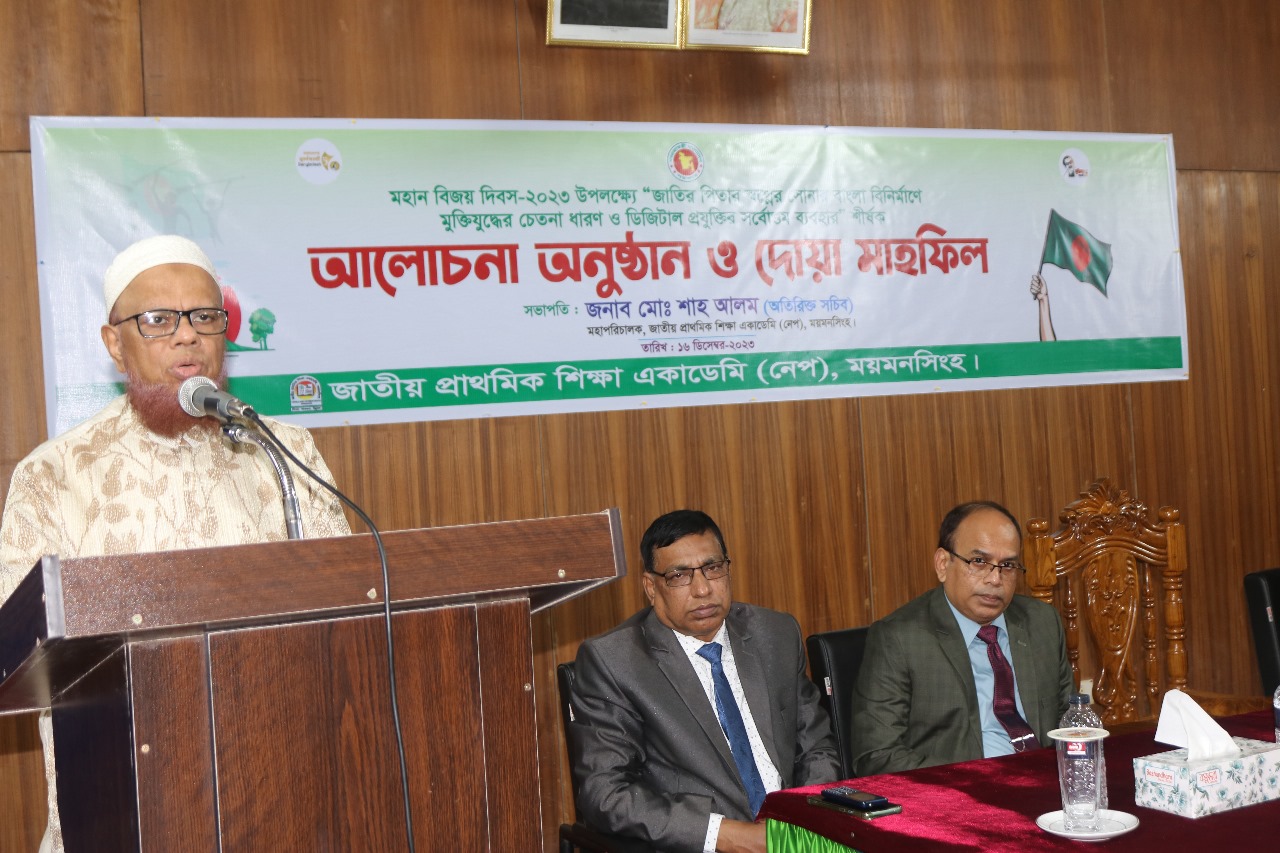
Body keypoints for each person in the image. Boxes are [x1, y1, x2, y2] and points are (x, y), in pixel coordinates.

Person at [0, 234, 351, 853]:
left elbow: (350, 609)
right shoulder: (55, 475)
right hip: (122, 806)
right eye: (159, 320)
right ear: (115, 343)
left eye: (204, 316)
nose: (187, 336)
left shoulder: (283, 451)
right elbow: (19, 655)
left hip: (286, 796)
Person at [568, 509, 839, 853]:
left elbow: (817, 748)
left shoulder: (775, 633)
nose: (702, 589)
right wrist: (725, 836)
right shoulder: (615, 662)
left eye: (712, 568)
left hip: (799, 836)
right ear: (651, 587)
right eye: (679, 575)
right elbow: (605, 793)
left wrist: (803, 820)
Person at [849, 501, 1073, 776]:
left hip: (1046, 785)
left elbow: (1071, 721)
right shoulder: (899, 639)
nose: (995, 579)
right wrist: (971, 784)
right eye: (979, 562)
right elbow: (877, 755)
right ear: (943, 564)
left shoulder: (1042, 623)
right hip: (961, 791)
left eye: (1008, 565)